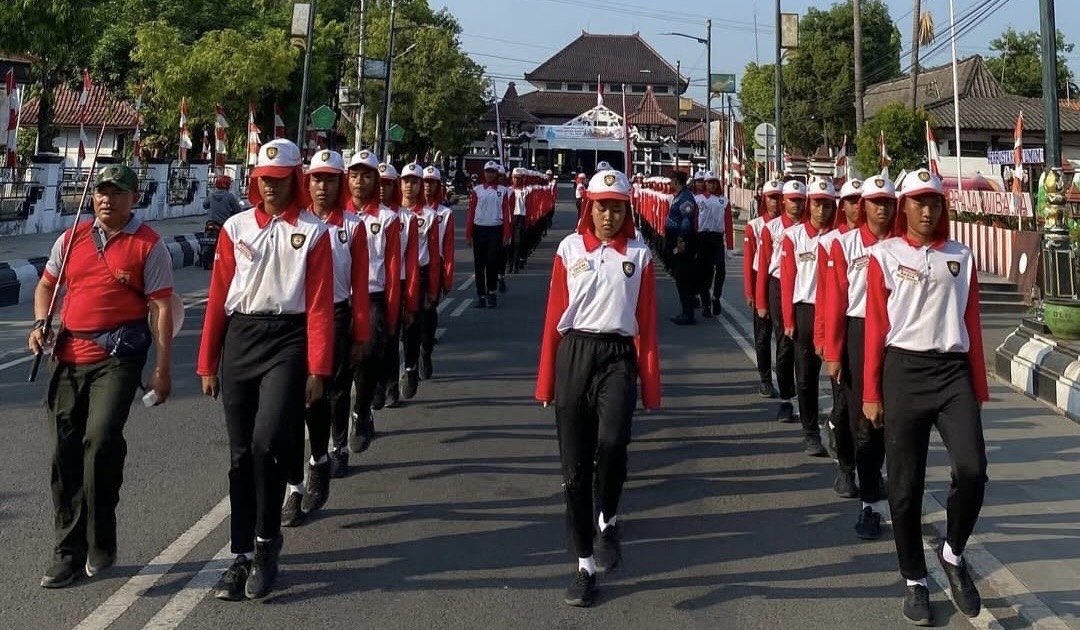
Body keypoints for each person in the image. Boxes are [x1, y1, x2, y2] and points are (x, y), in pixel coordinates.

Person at [197, 138, 334, 601]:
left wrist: (318, 369)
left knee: (266, 443)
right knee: (239, 454)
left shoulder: (314, 232)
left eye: (278, 181)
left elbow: (318, 307)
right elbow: (218, 296)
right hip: (241, 338)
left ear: (295, 179)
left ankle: (265, 544)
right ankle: (241, 556)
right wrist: (207, 362)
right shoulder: (235, 228)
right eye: (262, 180)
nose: (270, 188)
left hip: (288, 341)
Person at [31, 164, 175, 588]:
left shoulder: (149, 245)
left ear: (135, 198)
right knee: (64, 453)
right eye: (101, 192)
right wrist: (42, 323)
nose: (107, 199)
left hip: (117, 358)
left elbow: (163, 308)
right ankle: (67, 550)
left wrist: (163, 369)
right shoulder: (71, 236)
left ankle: (101, 534)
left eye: (117, 192)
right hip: (68, 356)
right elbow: (46, 286)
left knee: (100, 440)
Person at [863, 168, 988, 625]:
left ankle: (953, 552)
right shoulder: (885, 255)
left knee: (973, 469)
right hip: (904, 372)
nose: (927, 209)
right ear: (904, 207)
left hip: (953, 373)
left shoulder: (962, 255)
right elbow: (877, 327)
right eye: (918, 202)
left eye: (934, 201)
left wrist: (979, 387)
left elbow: (971, 322)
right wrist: (871, 393)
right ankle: (915, 578)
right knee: (904, 487)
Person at [536, 169, 660, 608]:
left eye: (617, 206)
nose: (608, 214)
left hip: (618, 357)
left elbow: (646, 323)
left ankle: (608, 517)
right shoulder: (570, 249)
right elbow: (554, 316)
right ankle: (584, 566)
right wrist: (547, 379)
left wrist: (651, 386)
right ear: (589, 206)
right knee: (574, 469)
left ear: (628, 209)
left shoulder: (640, 254)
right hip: (574, 354)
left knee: (612, 443)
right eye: (601, 205)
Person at [280, 150, 371, 527]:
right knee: (286, 405)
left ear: (340, 183)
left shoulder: (351, 226)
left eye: (331, 179)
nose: (323, 186)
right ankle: (294, 485)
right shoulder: (291, 224)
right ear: (306, 181)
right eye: (317, 178)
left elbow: (360, 285)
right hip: (291, 320)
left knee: (318, 396)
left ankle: (321, 457)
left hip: (333, 316)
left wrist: (360, 334)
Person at [823, 175, 893, 538]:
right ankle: (868, 505)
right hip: (859, 333)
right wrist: (833, 352)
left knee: (888, 421)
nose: (881, 208)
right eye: (875, 202)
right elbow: (835, 300)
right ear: (862, 206)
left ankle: (876, 478)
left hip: (896, 337)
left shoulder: (900, 246)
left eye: (887, 202)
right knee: (860, 421)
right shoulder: (846, 245)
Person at [346, 151, 402, 454]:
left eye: (366, 175)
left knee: (367, 359)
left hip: (373, 298)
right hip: (340, 299)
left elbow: (393, 272)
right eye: (354, 175)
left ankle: (361, 410)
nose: (359, 181)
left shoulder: (387, 219)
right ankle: (336, 444)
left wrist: (392, 317)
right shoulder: (333, 217)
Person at [780, 178, 835, 457]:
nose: (821, 210)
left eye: (827, 204)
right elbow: (788, 280)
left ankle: (837, 427)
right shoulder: (794, 237)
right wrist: (789, 319)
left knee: (840, 376)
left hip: (835, 311)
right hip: (806, 310)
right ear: (809, 205)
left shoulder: (840, 237)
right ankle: (810, 431)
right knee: (806, 375)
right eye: (817, 204)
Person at [756, 179, 805, 422]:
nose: (795, 205)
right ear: (784, 201)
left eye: (800, 201)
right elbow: (763, 266)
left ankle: (804, 397)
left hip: (804, 287)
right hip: (778, 286)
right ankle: (786, 398)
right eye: (791, 200)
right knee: (784, 342)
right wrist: (761, 301)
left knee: (803, 348)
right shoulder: (771, 228)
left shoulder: (810, 228)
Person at [398, 163, 441, 398]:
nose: (410, 186)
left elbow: (434, 256)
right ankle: (390, 386)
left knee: (415, 326)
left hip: (421, 275)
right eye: (406, 181)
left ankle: (413, 363)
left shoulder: (430, 216)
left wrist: (434, 288)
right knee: (392, 333)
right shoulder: (392, 214)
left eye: (415, 182)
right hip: (394, 278)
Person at [378, 162, 415, 409]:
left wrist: (411, 297)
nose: (382, 189)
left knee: (391, 340)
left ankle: (391, 388)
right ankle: (372, 392)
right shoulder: (358, 217)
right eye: (379, 183)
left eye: (388, 184)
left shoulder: (406, 218)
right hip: (365, 288)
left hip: (396, 284)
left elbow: (410, 261)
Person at [744, 180, 781, 398]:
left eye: (778, 197)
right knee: (763, 334)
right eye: (771, 197)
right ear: (764, 200)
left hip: (780, 283)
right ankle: (766, 379)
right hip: (761, 281)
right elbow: (749, 260)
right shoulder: (755, 225)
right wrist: (750, 291)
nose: (775, 202)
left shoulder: (790, 226)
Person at [466, 161, 511, 308]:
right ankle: (481, 296)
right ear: (483, 173)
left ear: (496, 173)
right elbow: (471, 212)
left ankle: (491, 292)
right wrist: (468, 233)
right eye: (487, 171)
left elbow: (506, 213)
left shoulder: (503, 191)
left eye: (492, 172)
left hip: (495, 230)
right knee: (479, 265)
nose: (490, 174)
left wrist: (506, 234)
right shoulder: (477, 190)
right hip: (479, 230)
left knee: (492, 262)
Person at [423, 165, 455, 371]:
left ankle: (426, 348)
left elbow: (449, 247)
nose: (427, 187)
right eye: (424, 182)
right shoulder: (405, 212)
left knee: (429, 308)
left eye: (431, 183)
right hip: (411, 269)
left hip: (435, 266)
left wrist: (448, 276)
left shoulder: (445, 213)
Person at [696, 170, 734, 318]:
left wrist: (729, 247)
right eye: (709, 182)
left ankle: (716, 296)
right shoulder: (697, 199)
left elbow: (728, 224)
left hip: (716, 238)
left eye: (714, 182)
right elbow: (693, 222)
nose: (711, 185)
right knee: (703, 272)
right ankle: (705, 303)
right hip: (701, 238)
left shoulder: (723, 201)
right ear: (704, 184)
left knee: (721, 269)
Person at [665, 170, 699, 325]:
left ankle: (688, 313)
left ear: (676, 181)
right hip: (675, 238)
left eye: (671, 180)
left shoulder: (685, 198)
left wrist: (681, 240)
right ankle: (685, 310)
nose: (669, 183)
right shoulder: (679, 196)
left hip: (682, 241)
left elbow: (686, 221)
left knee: (683, 277)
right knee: (680, 276)